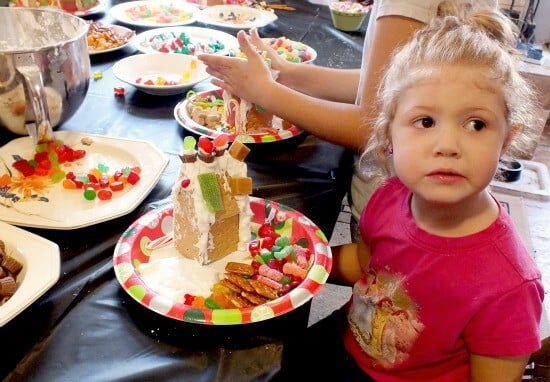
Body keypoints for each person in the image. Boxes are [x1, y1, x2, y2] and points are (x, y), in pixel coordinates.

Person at [325, 2, 545, 380]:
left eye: (476, 124)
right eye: (425, 121)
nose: (447, 145)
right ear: (389, 134)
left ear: (506, 140)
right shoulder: (390, 196)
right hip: (352, 345)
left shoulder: (510, 286)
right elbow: (366, 265)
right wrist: (304, 261)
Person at [198, 0, 501, 243]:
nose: (447, 145)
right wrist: (291, 75)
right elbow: (393, 84)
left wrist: (266, 92)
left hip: (395, 202)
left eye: (475, 124)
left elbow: (372, 126)